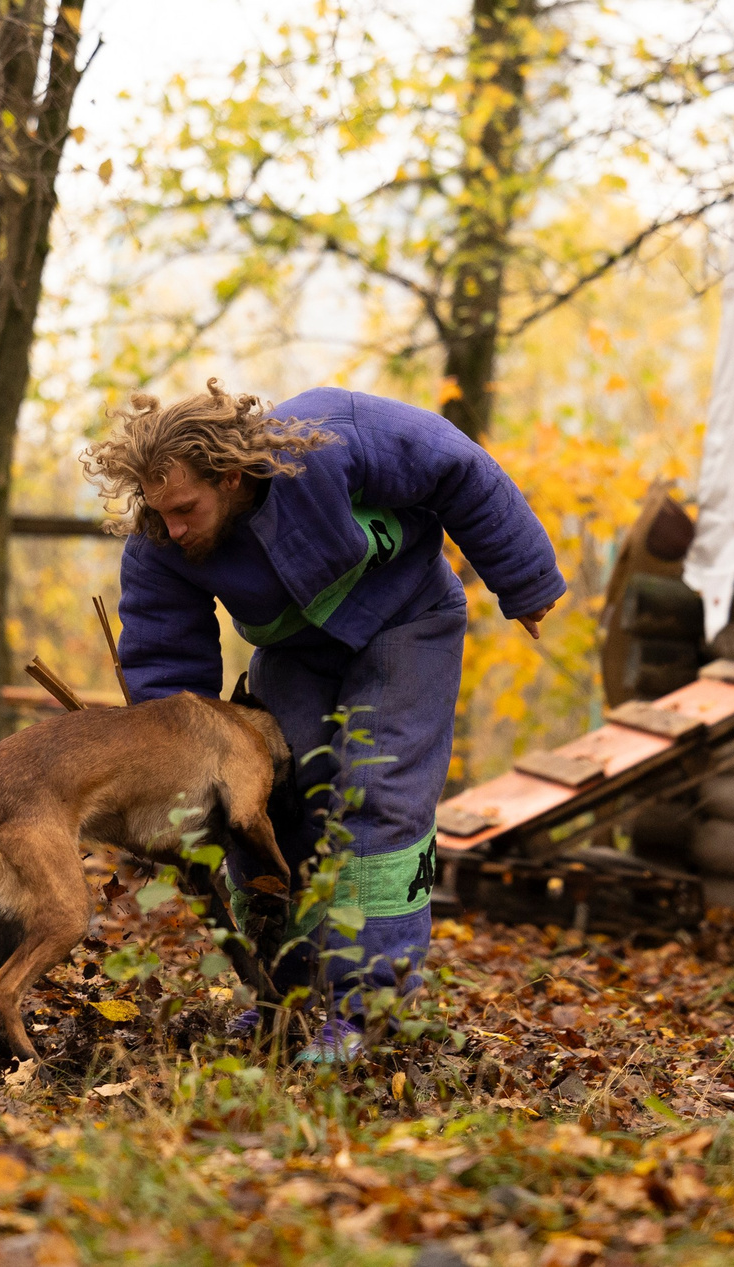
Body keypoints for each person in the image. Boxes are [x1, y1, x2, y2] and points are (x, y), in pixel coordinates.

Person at [81, 381, 565, 1060]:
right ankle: (284, 994)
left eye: (186, 508)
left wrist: (526, 581)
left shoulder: (330, 438)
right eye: (162, 513)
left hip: (408, 622)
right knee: (269, 797)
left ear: (229, 474)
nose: (175, 527)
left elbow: (459, 466)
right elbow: (164, 657)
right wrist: (179, 767)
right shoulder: (162, 540)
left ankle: (366, 1007)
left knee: (376, 796)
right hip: (296, 649)